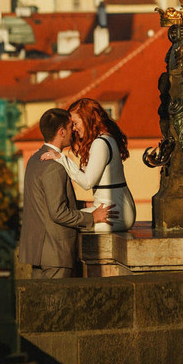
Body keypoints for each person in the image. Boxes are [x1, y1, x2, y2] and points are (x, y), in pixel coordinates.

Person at [19, 108, 116, 278]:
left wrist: (82, 205)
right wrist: (92, 217)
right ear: (62, 132)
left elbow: (44, 201)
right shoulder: (54, 167)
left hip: (38, 252)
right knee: (55, 303)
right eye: (71, 127)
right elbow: (58, 213)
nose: (74, 132)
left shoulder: (34, 160)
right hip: (56, 253)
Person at [43, 98, 135, 234]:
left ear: (87, 119)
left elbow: (87, 182)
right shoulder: (103, 140)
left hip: (116, 213)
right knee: (67, 219)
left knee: (65, 226)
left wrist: (61, 158)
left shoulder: (100, 143)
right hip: (112, 209)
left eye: (75, 123)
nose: (73, 129)